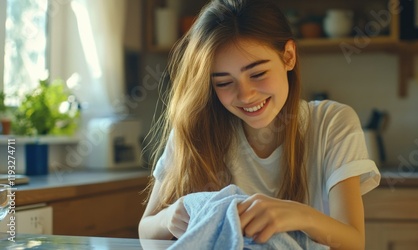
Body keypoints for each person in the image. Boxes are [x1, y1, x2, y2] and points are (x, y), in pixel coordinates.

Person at [139, 0, 380, 249]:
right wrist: (171, 216)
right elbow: (145, 232)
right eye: (223, 83)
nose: (245, 95)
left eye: (257, 74)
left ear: (288, 56)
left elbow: (354, 242)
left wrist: (298, 215)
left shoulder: (332, 123)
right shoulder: (195, 128)